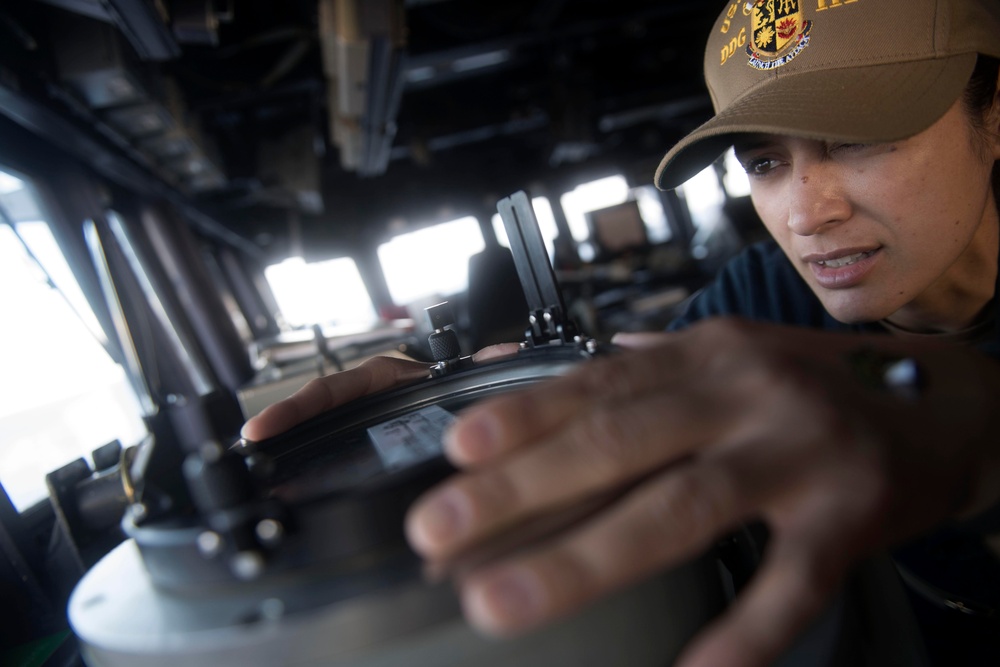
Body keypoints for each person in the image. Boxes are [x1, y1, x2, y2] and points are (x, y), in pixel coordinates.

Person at [242, 0, 1000, 664]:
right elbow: (632, 398)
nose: (806, 213)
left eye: (858, 139)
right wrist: (462, 404)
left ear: (993, 117)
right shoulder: (761, 297)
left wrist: (960, 421)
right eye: (765, 162)